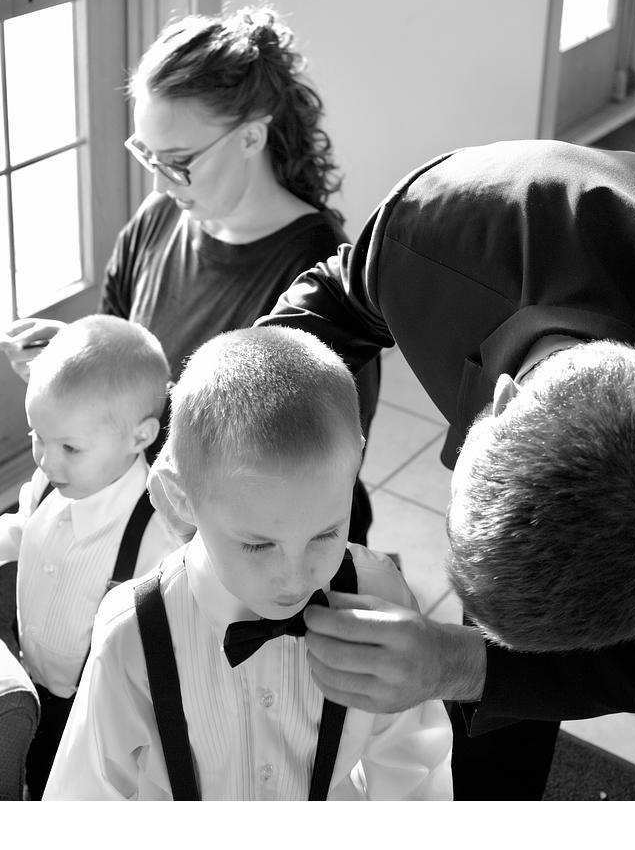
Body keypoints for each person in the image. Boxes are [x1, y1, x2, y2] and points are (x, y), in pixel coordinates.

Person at [253, 138, 635, 801]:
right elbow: (338, 299)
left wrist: (454, 662)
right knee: (496, 711)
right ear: (502, 399)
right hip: (533, 246)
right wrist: (232, 412)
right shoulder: (430, 231)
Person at [1, 3, 378, 545]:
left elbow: (309, 465)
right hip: (149, 519)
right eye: (148, 156)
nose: (159, 185)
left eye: (177, 162)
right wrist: (78, 369)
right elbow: (127, 363)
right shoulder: (158, 219)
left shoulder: (321, 279)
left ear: (251, 137)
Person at [43, 327, 452, 801]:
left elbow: (415, 774)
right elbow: (83, 798)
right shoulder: (130, 634)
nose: (296, 577)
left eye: (325, 534)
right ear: (180, 495)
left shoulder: (381, 599)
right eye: (258, 546)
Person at [0, 314, 180, 799]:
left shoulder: (156, 534)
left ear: (140, 437)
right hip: (33, 670)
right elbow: (24, 527)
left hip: (91, 711)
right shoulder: (51, 480)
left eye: (69, 448)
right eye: (37, 436)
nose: (45, 459)